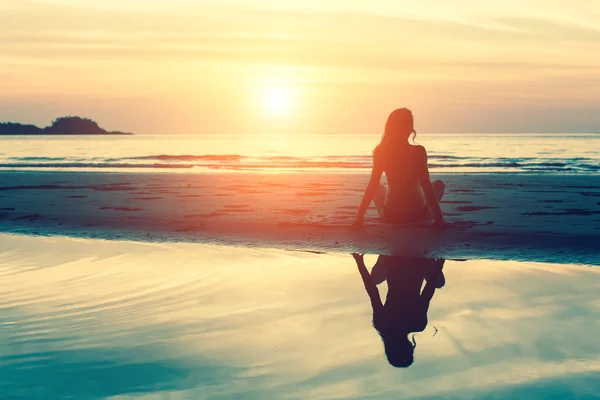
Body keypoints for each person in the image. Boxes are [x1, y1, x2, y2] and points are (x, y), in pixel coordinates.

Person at [349, 108, 445, 230]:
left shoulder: (381, 152)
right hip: (419, 215)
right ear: (410, 129)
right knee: (438, 185)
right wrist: (439, 217)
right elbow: (426, 185)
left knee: (377, 186)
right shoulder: (418, 151)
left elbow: (372, 185)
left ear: (389, 127)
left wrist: (359, 218)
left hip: (391, 216)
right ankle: (427, 211)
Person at [352, 253, 445, 368]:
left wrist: (440, 263)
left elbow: (428, 293)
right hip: (393, 264)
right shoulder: (382, 324)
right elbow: (372, 292)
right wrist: (359, 261)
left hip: (418, 263)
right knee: (375, 279)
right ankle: (384, 256)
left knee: (439, 283)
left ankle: (427, 259)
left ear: (408, 348)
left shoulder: (418, 325)